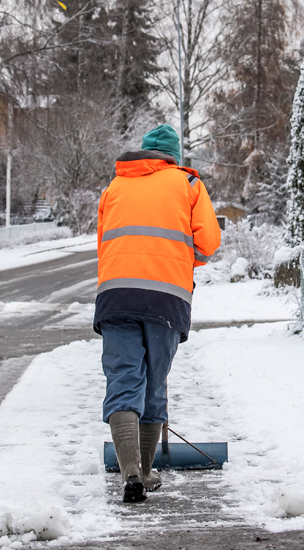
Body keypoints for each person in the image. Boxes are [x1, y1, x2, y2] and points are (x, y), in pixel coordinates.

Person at [94, 123, 221, 503]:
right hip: (166, 295)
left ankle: (128, 471)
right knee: (154, 381)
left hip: (116, 294)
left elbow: (103, 242)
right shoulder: (188, 185)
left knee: (123, 378)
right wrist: (182, 257)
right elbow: (208, 243)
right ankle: (145, 471)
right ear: (172, 158)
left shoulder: (114, 187)